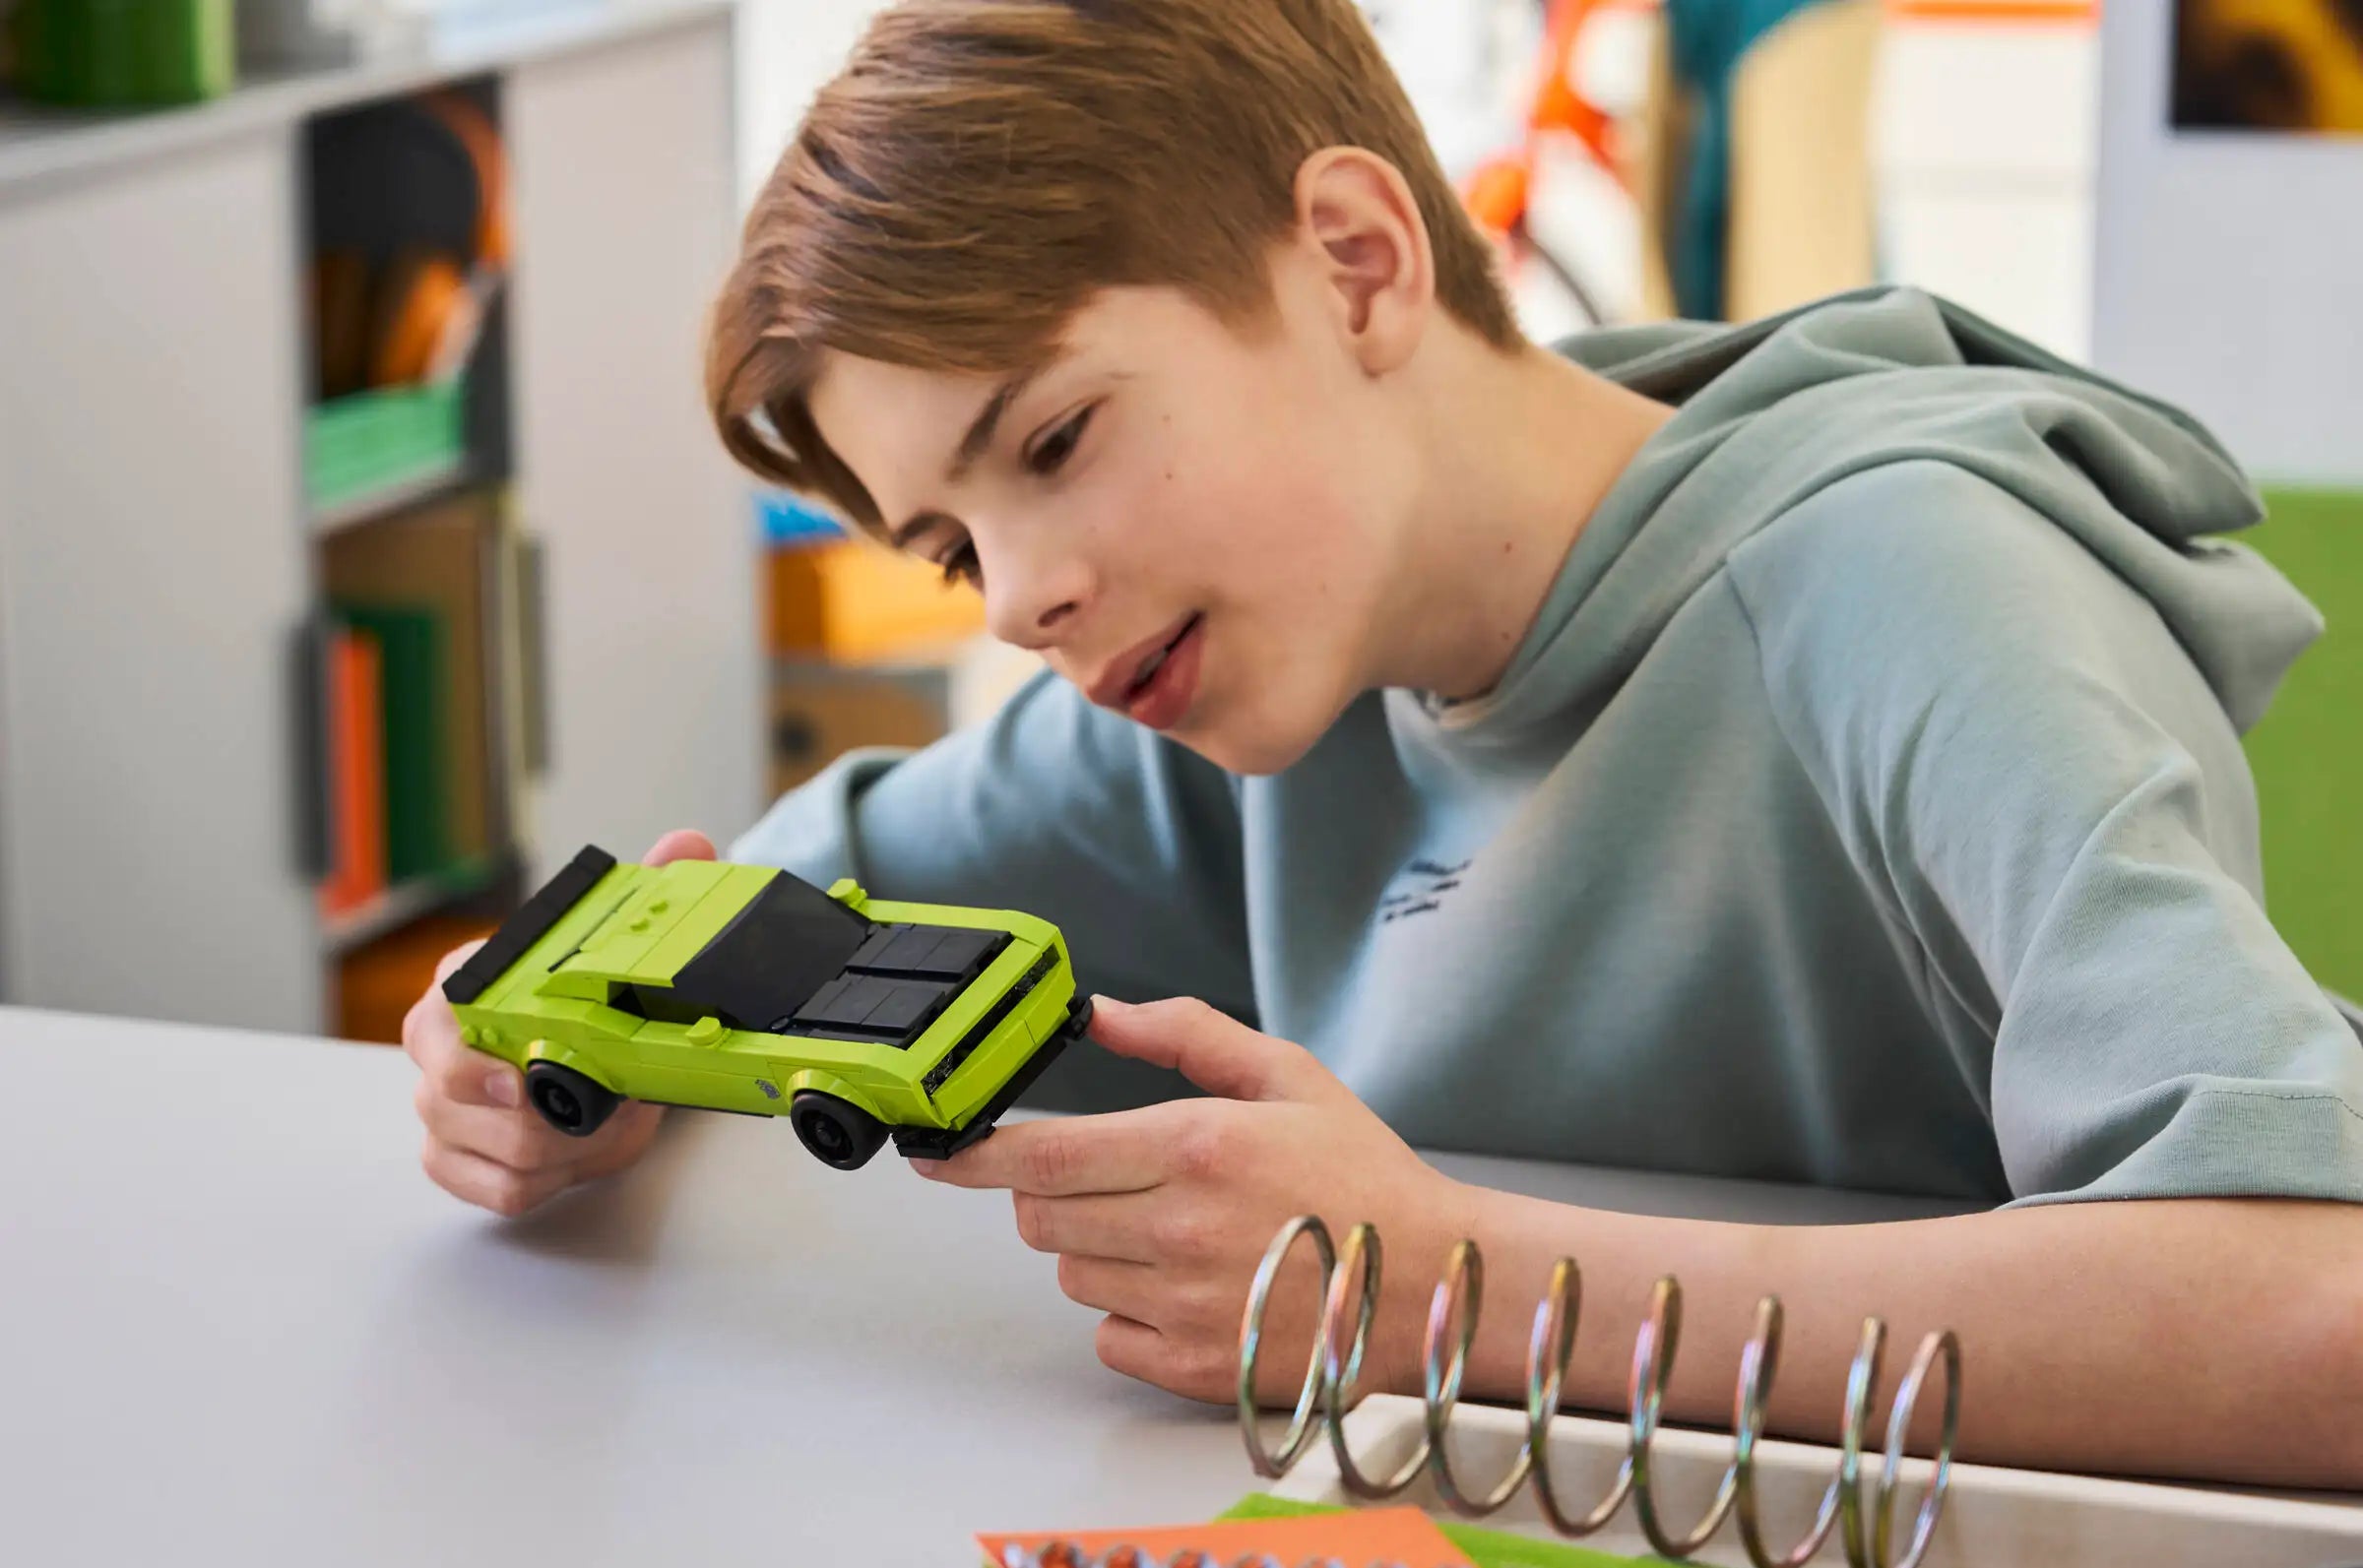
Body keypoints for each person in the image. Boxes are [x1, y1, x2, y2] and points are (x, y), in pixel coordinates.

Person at [403, 0, 2363, 1488]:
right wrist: (541, 1042)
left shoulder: (1913, 589)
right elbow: (757, 903)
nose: (1013, 601)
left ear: (1353, 264)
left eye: (1058, 442)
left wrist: (1442, 1290)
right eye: (951, 542)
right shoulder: (1231, 676)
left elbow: (2321, 1310)